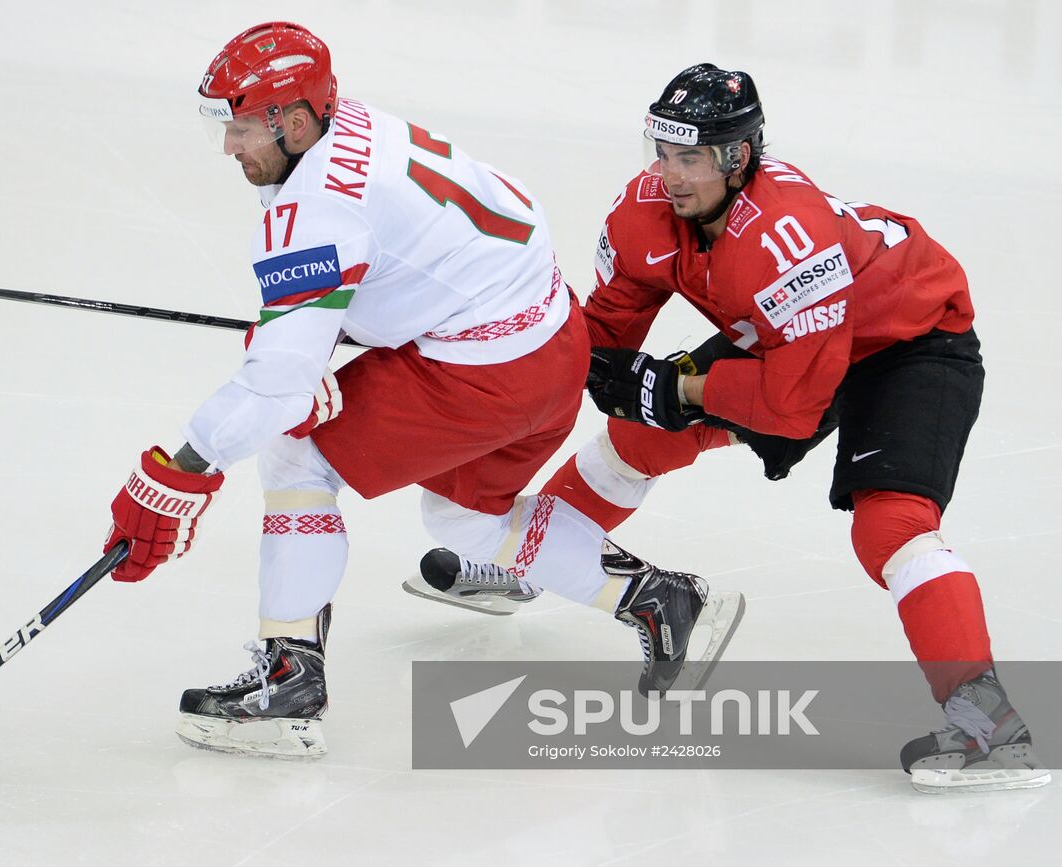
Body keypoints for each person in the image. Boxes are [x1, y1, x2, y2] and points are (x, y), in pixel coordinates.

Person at [417, 63, 1050, 793]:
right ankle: (531, 558)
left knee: (891, 526)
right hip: (789, 336)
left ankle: (989, 721)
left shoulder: (787, 235)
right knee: (640, 438)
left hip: (908, 342)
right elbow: (604, 334)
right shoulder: (644, 209)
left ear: (737, 157)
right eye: (662, 151)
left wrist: (677, 385)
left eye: (689, 158)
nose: (669, 174)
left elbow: (793, 405)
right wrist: (505, 344)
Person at [102, 22, 729, 757]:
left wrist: (180, 470)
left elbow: (277, 382)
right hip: (554, 342)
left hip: (481, 372)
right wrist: (327, 326)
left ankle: (288, 681)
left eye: (240, 129)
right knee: (463, 516)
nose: (232, 148)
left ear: (295, 121)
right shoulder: (357, 124)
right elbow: (484, 223)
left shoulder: (314, 211)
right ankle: (660, 598)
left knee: (296, 454)